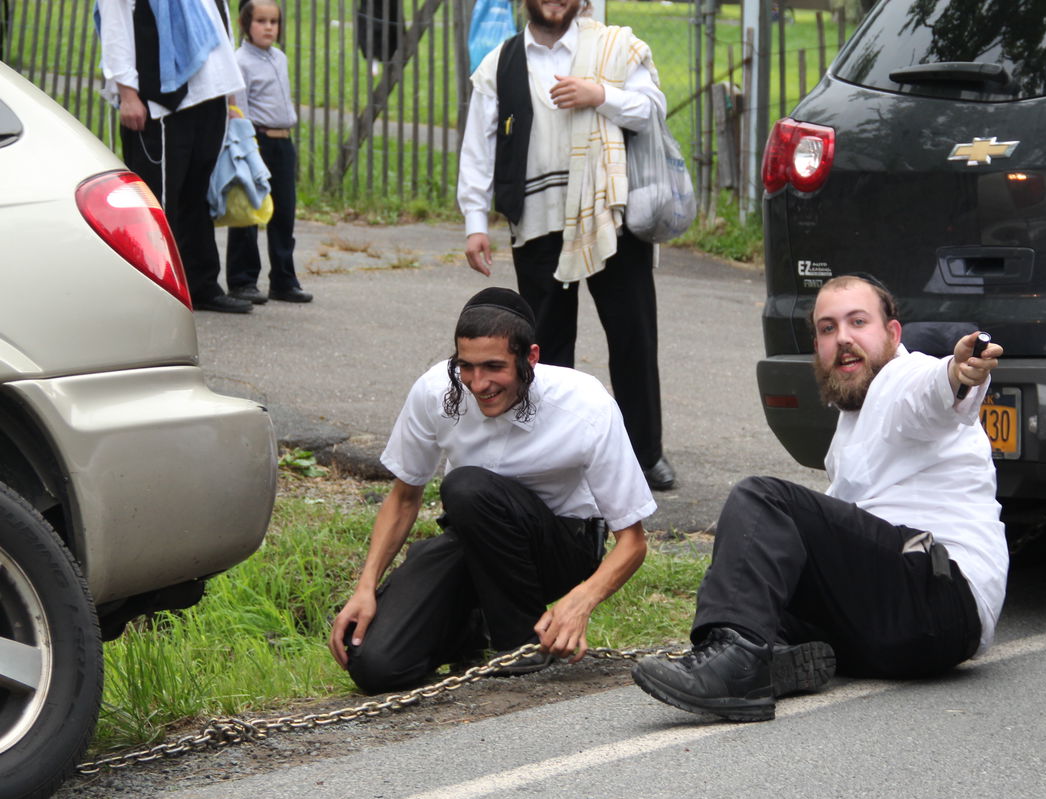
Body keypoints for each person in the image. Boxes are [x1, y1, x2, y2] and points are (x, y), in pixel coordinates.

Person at [631, 275, 1009, 722]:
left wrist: (959, 373)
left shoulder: (902, 379)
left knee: (763, 500)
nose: (843, 339)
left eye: (858, 322)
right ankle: (764, 658)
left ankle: (738, 664)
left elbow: (936, 388)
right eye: (828, 329)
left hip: (941, 598)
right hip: (902, 629)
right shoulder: (850, 427)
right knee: (766, 574)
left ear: (892, 334)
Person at [329, 287, 655, 694]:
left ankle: (518, 643)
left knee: (467, 487)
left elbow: (633, 542)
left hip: (560, 548)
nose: (478, 383)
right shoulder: (436, 392)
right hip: (473, 541)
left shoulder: (585, 404)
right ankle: (472, 627)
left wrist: (580, 601)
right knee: (375, 666)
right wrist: (365, 587)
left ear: (529, 358)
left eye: (494, 367)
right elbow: (403, 498)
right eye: (466, 366)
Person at [457, 0, 677, 491]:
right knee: (546, 346)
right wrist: (476, 220)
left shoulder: (616, 47)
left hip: (608, 217)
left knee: (633, 337)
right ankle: (555, 453)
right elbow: (479, 145)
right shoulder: (502, 61)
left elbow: (651, 109)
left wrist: (600, 93)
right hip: (538, 220)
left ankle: (645, 454)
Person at [97, 0, 253, 313]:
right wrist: (128, 95)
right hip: (162, 99)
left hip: (210, 93)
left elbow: (217, 17)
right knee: (157, 202)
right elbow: (116, 29)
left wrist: (229, 92)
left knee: (198, 195)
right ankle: (154, 288)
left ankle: (201, 284)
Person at [225, 0, 312, 305]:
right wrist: (248, 145)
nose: (268, 27)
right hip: (256, 140)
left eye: (273, 22)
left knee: (284, 213)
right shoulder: (240, 62)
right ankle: (242, 280)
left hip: (282, 142)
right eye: (261, 21)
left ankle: (284, 280)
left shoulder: (280, 58)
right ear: (245, 24)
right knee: (249, 211)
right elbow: (240, 108)